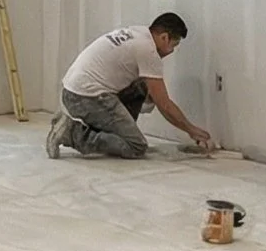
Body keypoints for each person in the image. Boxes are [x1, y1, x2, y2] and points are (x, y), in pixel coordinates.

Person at [45, 14, 215, 160]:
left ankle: (118, 133)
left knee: (143, 85)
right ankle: (72, 134)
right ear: (164, 37)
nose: (171, 51)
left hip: (74, 91)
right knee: (136, 146)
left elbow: (148, 92)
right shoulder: (148, 52)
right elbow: (165, 105)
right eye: (173, 45)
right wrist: (192, 130)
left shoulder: (137, 34)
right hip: (86, 97)